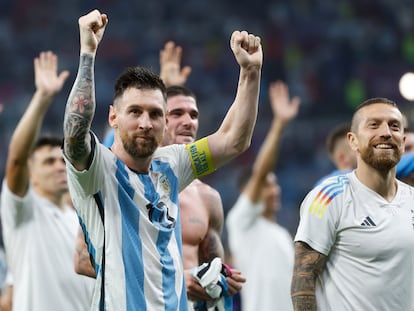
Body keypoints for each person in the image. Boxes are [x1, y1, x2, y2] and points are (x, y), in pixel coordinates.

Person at [63, 9, 262, 311]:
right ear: (113, 117)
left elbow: (234, 140)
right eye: (135, 112)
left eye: (156, 114)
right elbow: (76, 133)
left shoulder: (172, 164)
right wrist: (88, 53)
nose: (146, 123)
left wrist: (250, 72)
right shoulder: (96, 171)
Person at [291, 97, 414, 310]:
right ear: (353, 141)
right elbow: (304, 277)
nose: (386, 132)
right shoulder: (329, 196)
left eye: (394, 126)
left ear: (403, 142)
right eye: (373, 125)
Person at [0, 51, 94, 311]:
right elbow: (17, 159)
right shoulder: (22, 212)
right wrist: (42, 98)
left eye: (61, 161)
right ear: (30, 173)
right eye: (47, 162)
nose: (57, 167)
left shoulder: (78, 220)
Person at [226, 80, 300, 311]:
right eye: (268, 185)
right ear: (246, 191)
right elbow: (260, 172)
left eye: (275, 185)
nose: (275, 190)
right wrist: (279, 125)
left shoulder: (282, 236)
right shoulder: (241, 222)